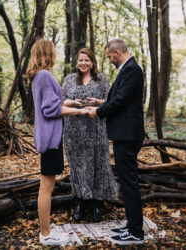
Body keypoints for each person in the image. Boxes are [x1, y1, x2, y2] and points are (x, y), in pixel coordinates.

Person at [27, 39, 89, 246]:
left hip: (49, 136)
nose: (55, 54)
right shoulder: (44, 75)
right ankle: (46, 234)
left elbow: (51, 104)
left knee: (47, 185)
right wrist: (80, 111)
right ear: (47, 53)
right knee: (46, 187)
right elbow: (50, 110)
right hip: (49, 139)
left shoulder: (39, 75)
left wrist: (67, 102)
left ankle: (46, 231)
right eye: (52, 51)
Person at [87, 39, 145, 245]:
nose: (109, 60)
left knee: (129, 182)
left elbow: (121, 102)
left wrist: (98, 111)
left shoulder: (133, 70)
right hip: (124, 134)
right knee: (126, 180)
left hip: (128, 135)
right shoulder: (128, 69)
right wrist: (102, 103)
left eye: (110, 56)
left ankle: (136, 232)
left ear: (118, 52)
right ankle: (131, 225)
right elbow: (121, 98)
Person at [62, 48, 118, 222]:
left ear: (92, 62)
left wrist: (98, 102)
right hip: (73, 130)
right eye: (80, 60)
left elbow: (113, 102)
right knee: (78, 167)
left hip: (97, 130)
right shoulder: (69, 80)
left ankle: (96, 203)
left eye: (87, 60)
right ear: (76, 62)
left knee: (98, 166)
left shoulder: (102, 80)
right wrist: (71, 102)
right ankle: (78, 202)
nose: (83, 63)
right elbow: (59, 102)